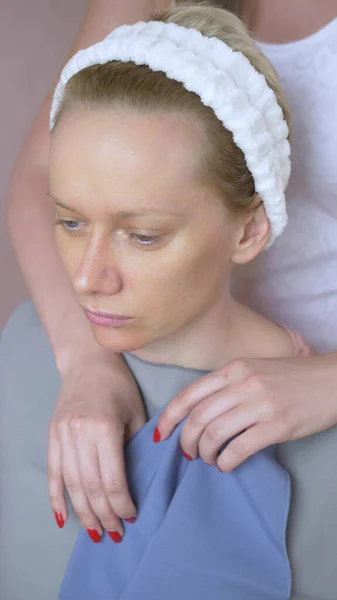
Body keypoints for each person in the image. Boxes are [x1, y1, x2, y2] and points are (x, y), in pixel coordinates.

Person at [1, 0, 337, 598]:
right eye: (70, 221)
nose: (86, 277)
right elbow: (39, 175)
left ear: (251, 230)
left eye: (144, 234)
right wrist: (85, 361)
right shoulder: (25, 359)